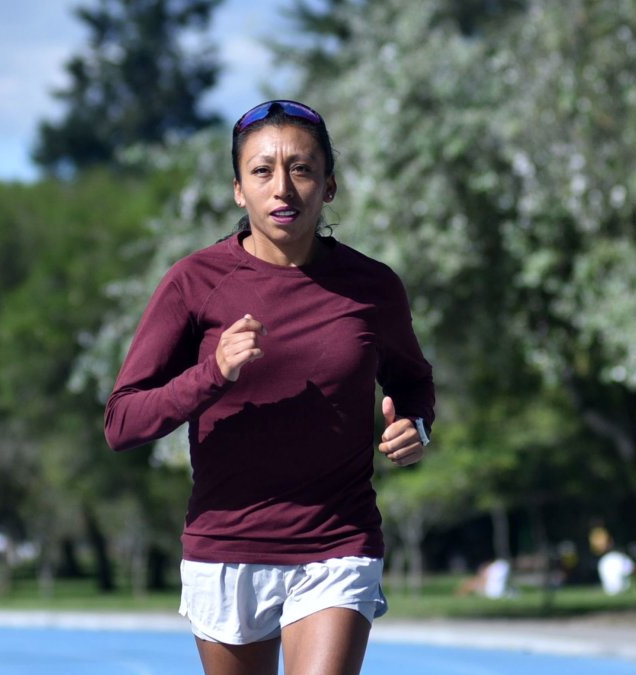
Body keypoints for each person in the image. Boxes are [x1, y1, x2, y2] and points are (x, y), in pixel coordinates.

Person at [105, 99, 435, 675]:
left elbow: (412, 383)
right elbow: (122, 423)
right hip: (226, 545)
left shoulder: (373, 286)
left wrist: (416, 427)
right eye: (262, 171)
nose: (282, 187)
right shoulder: (194, 282)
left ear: (329, 186)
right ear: (239, 190)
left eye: (301, 169)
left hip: (338, 542)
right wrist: (212, 373)